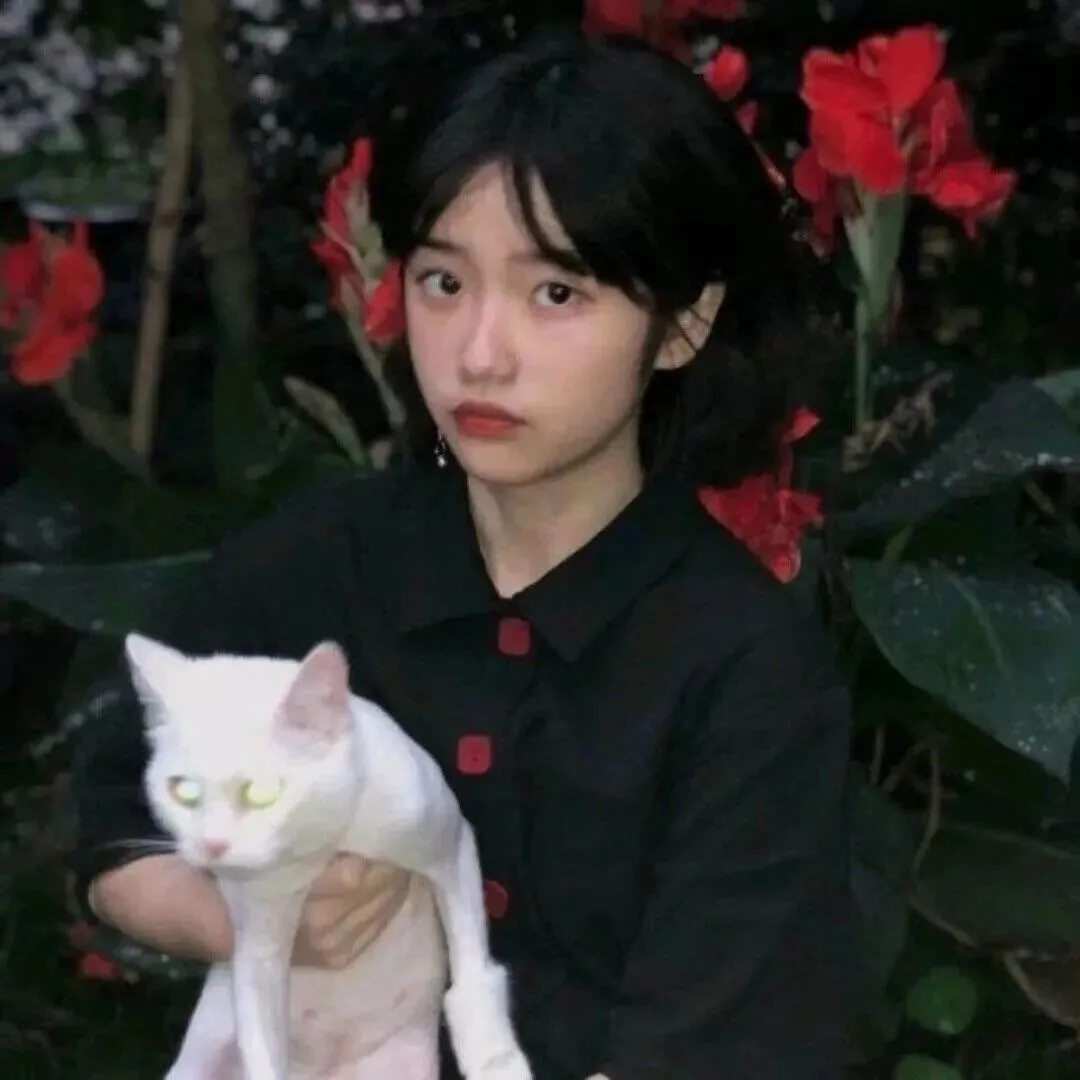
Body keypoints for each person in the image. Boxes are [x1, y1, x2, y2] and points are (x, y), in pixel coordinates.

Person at [70, 27, 853, 1080]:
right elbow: (115, 816)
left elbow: (719, 1042)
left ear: (682, 324)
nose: (480, 354)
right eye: (444, 282)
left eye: (556, 293)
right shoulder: (308, 568)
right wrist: (237, 918)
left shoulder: (744, 667)